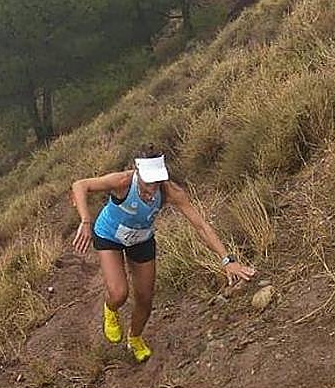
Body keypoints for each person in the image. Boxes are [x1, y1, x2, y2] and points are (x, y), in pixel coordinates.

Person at [70, 149, 256, 362]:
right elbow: (80, 185)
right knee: (119, 293)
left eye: (157, 182)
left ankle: (135, 338)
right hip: (109, 235)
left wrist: (227, 260)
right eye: (148, 183)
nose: (152, 189)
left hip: (141, 239)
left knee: (145, 298)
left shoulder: (170, 192)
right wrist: (85, 220)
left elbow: (201, 225)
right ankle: (110, 308)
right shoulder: (122, 182)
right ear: (137, 173)